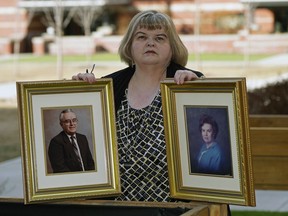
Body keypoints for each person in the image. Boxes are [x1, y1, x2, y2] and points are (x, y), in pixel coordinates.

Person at [73, 10, 231, 215]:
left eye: (159, 38)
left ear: (172, 48)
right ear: (129, 46)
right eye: (141, 37)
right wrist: (78, 94)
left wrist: (197, 86)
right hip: (119, 208)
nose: (150, 43)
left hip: (178, 208)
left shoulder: (188, 84)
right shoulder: (108, 87)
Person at [48, 108, 95, 173]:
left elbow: (90, 163)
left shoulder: (83, 138)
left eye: (74, 120)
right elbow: (60, 169)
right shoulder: (56, 142)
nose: (72, 124)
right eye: (67, 121)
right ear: (61, 124)